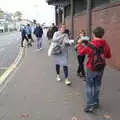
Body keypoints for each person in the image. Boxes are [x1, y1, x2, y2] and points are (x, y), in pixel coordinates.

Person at [79, 27, 111, 112]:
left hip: (91, 68)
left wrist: (80, 44)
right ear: (102, 35)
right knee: (97, 85)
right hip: (101, 68)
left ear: (94, 34)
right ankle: (96, 102)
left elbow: (81, 52)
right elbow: (108, 56)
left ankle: (89, 106)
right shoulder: (105, 44)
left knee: (89, 87)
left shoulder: (90, 44)